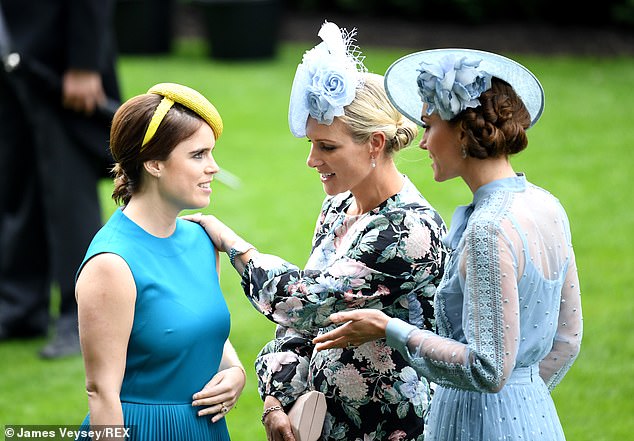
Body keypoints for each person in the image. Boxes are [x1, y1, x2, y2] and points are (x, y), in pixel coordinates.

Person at [186, 22, 447, 441]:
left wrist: (235, 247)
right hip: (327, 426)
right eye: (312, 144)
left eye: (327, 147)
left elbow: (307, 302)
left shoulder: (409, 231)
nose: (312, 160)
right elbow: (302, 327)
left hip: (389, 430)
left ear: (375, 144)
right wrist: (275, 399)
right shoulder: (340, 204)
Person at [313, 48, 583, 441]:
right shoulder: (547, 205)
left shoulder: (489, 229)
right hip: (535, 415)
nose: (422, 144)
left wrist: (390, 329)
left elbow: (486, 368)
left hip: (476, 423)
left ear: (461, 130)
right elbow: (567, 338)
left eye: (428, 126)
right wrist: (521, 398)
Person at [74, 83, 246, 441]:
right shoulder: (112, 263)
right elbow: (101, 392)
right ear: (154, 164)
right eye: (198, 155)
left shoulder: (201, 241)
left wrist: (234, 371)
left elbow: (198, 328)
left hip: (205, 428)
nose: (213, 168)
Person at [0, 0, 121, 358]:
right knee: (16, 187)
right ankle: (19, 308)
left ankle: (84, 318)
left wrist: (84, 62)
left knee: (67, 193)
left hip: (57, 62)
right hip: (11, 58)